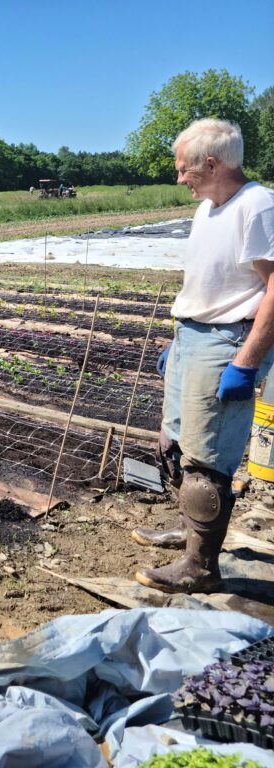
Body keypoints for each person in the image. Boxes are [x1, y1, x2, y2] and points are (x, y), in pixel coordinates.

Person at [133, 118, 274, 594]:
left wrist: (247, 361)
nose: (180, 179)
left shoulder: (256, 205)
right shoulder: (209, 209)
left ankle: (201, 567)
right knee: (175, 441)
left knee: (207, 461)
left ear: (211, 164)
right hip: (194, 335)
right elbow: (209, 281)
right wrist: (182, 336)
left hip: (227, 342)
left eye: (183, 169)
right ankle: (192, 533)